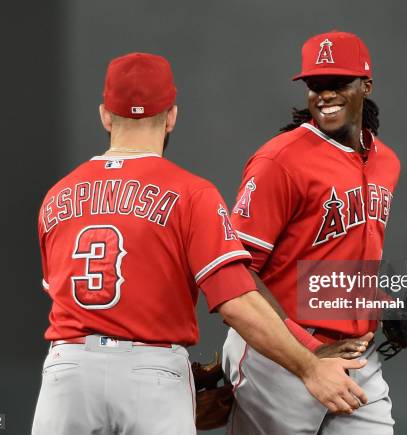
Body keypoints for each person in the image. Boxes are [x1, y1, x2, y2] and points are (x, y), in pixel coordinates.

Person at [31, 52, 369, 435]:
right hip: (151, 373)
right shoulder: (190, 193)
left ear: (105, 115)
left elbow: (63, 293)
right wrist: (310, 367)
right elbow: (236, 302)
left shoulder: (57, 197)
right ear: (172, 115)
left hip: (68, 372)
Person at [223, 31, 401, 434]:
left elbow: (338, 262)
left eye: (337, 83)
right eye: (315, 85)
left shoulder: (387, 162)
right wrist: (307, 351)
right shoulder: (279, 160)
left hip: (356, 354)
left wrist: (388, 305)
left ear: (366, 86)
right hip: (279, 358)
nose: (325, 94)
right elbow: (237, 272)